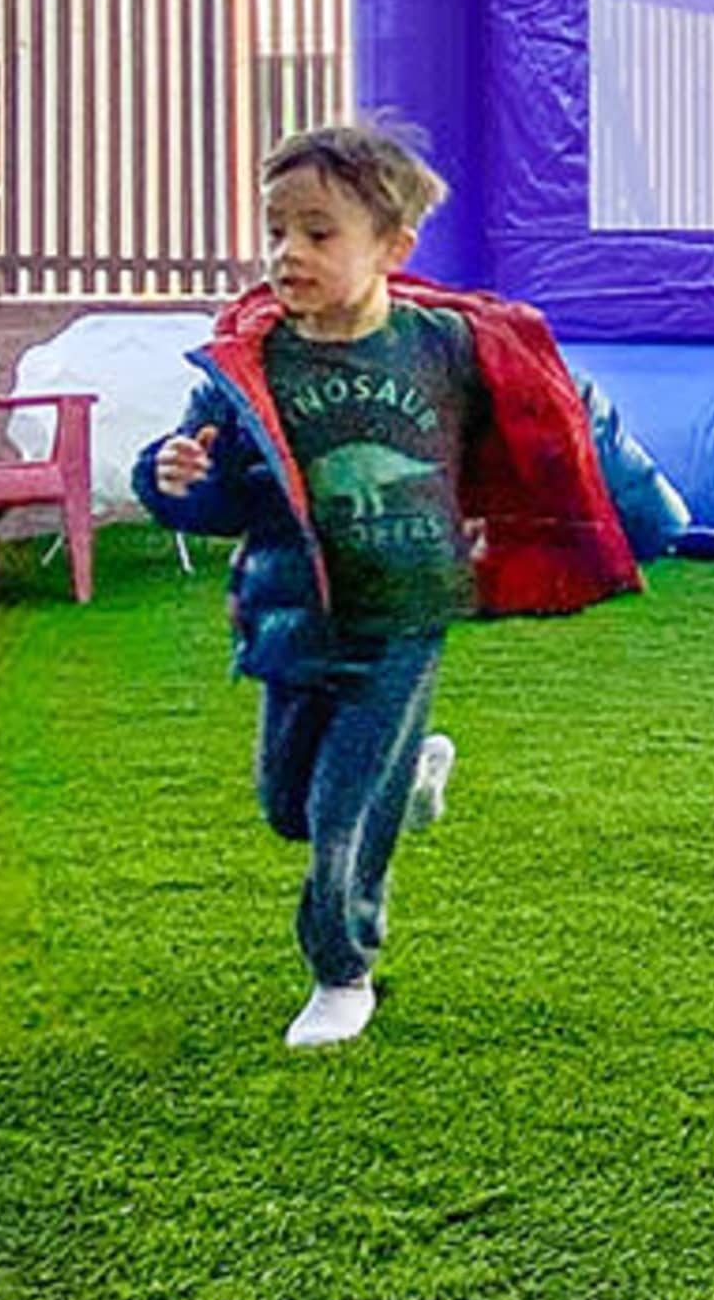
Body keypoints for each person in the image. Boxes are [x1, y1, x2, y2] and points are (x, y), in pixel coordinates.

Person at [136, 118, 655, 1049]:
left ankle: (343, 972)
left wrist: (642, 511)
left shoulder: (447, 346)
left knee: (340, 813)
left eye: (318, 232)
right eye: (276, 230)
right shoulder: (247, 366)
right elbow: (215, 497)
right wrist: (173, 478)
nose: (288, 253)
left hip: (406, 614)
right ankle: (411, 771)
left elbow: (555, 417)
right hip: (294, 618)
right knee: (288, 806)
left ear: (392, 248)